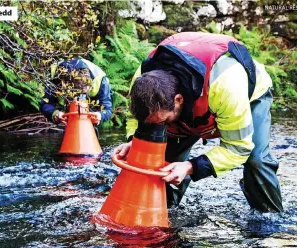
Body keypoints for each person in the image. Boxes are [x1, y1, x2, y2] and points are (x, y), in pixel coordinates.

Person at [115, 32, 283, 212]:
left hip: (248, 96)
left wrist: (190, 167)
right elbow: (135, 118)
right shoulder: (143, 82)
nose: (157, 126)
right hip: (191, 104)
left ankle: (269, 219)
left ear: (178, 100)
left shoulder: (226, 86)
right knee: (162, 165)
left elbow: (238, 148)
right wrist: (135, 140)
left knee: (256, 160)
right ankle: (164, 213)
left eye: (162, 121)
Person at [40, 58, 113, 127]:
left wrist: (99, 115)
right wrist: (56, 114)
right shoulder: (53, 79)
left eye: (83, 93)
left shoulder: (100, 80)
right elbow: (45, 103)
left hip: (92, 108)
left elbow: (107, 109)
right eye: (76, 94)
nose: (79, 98)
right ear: (64, 86)